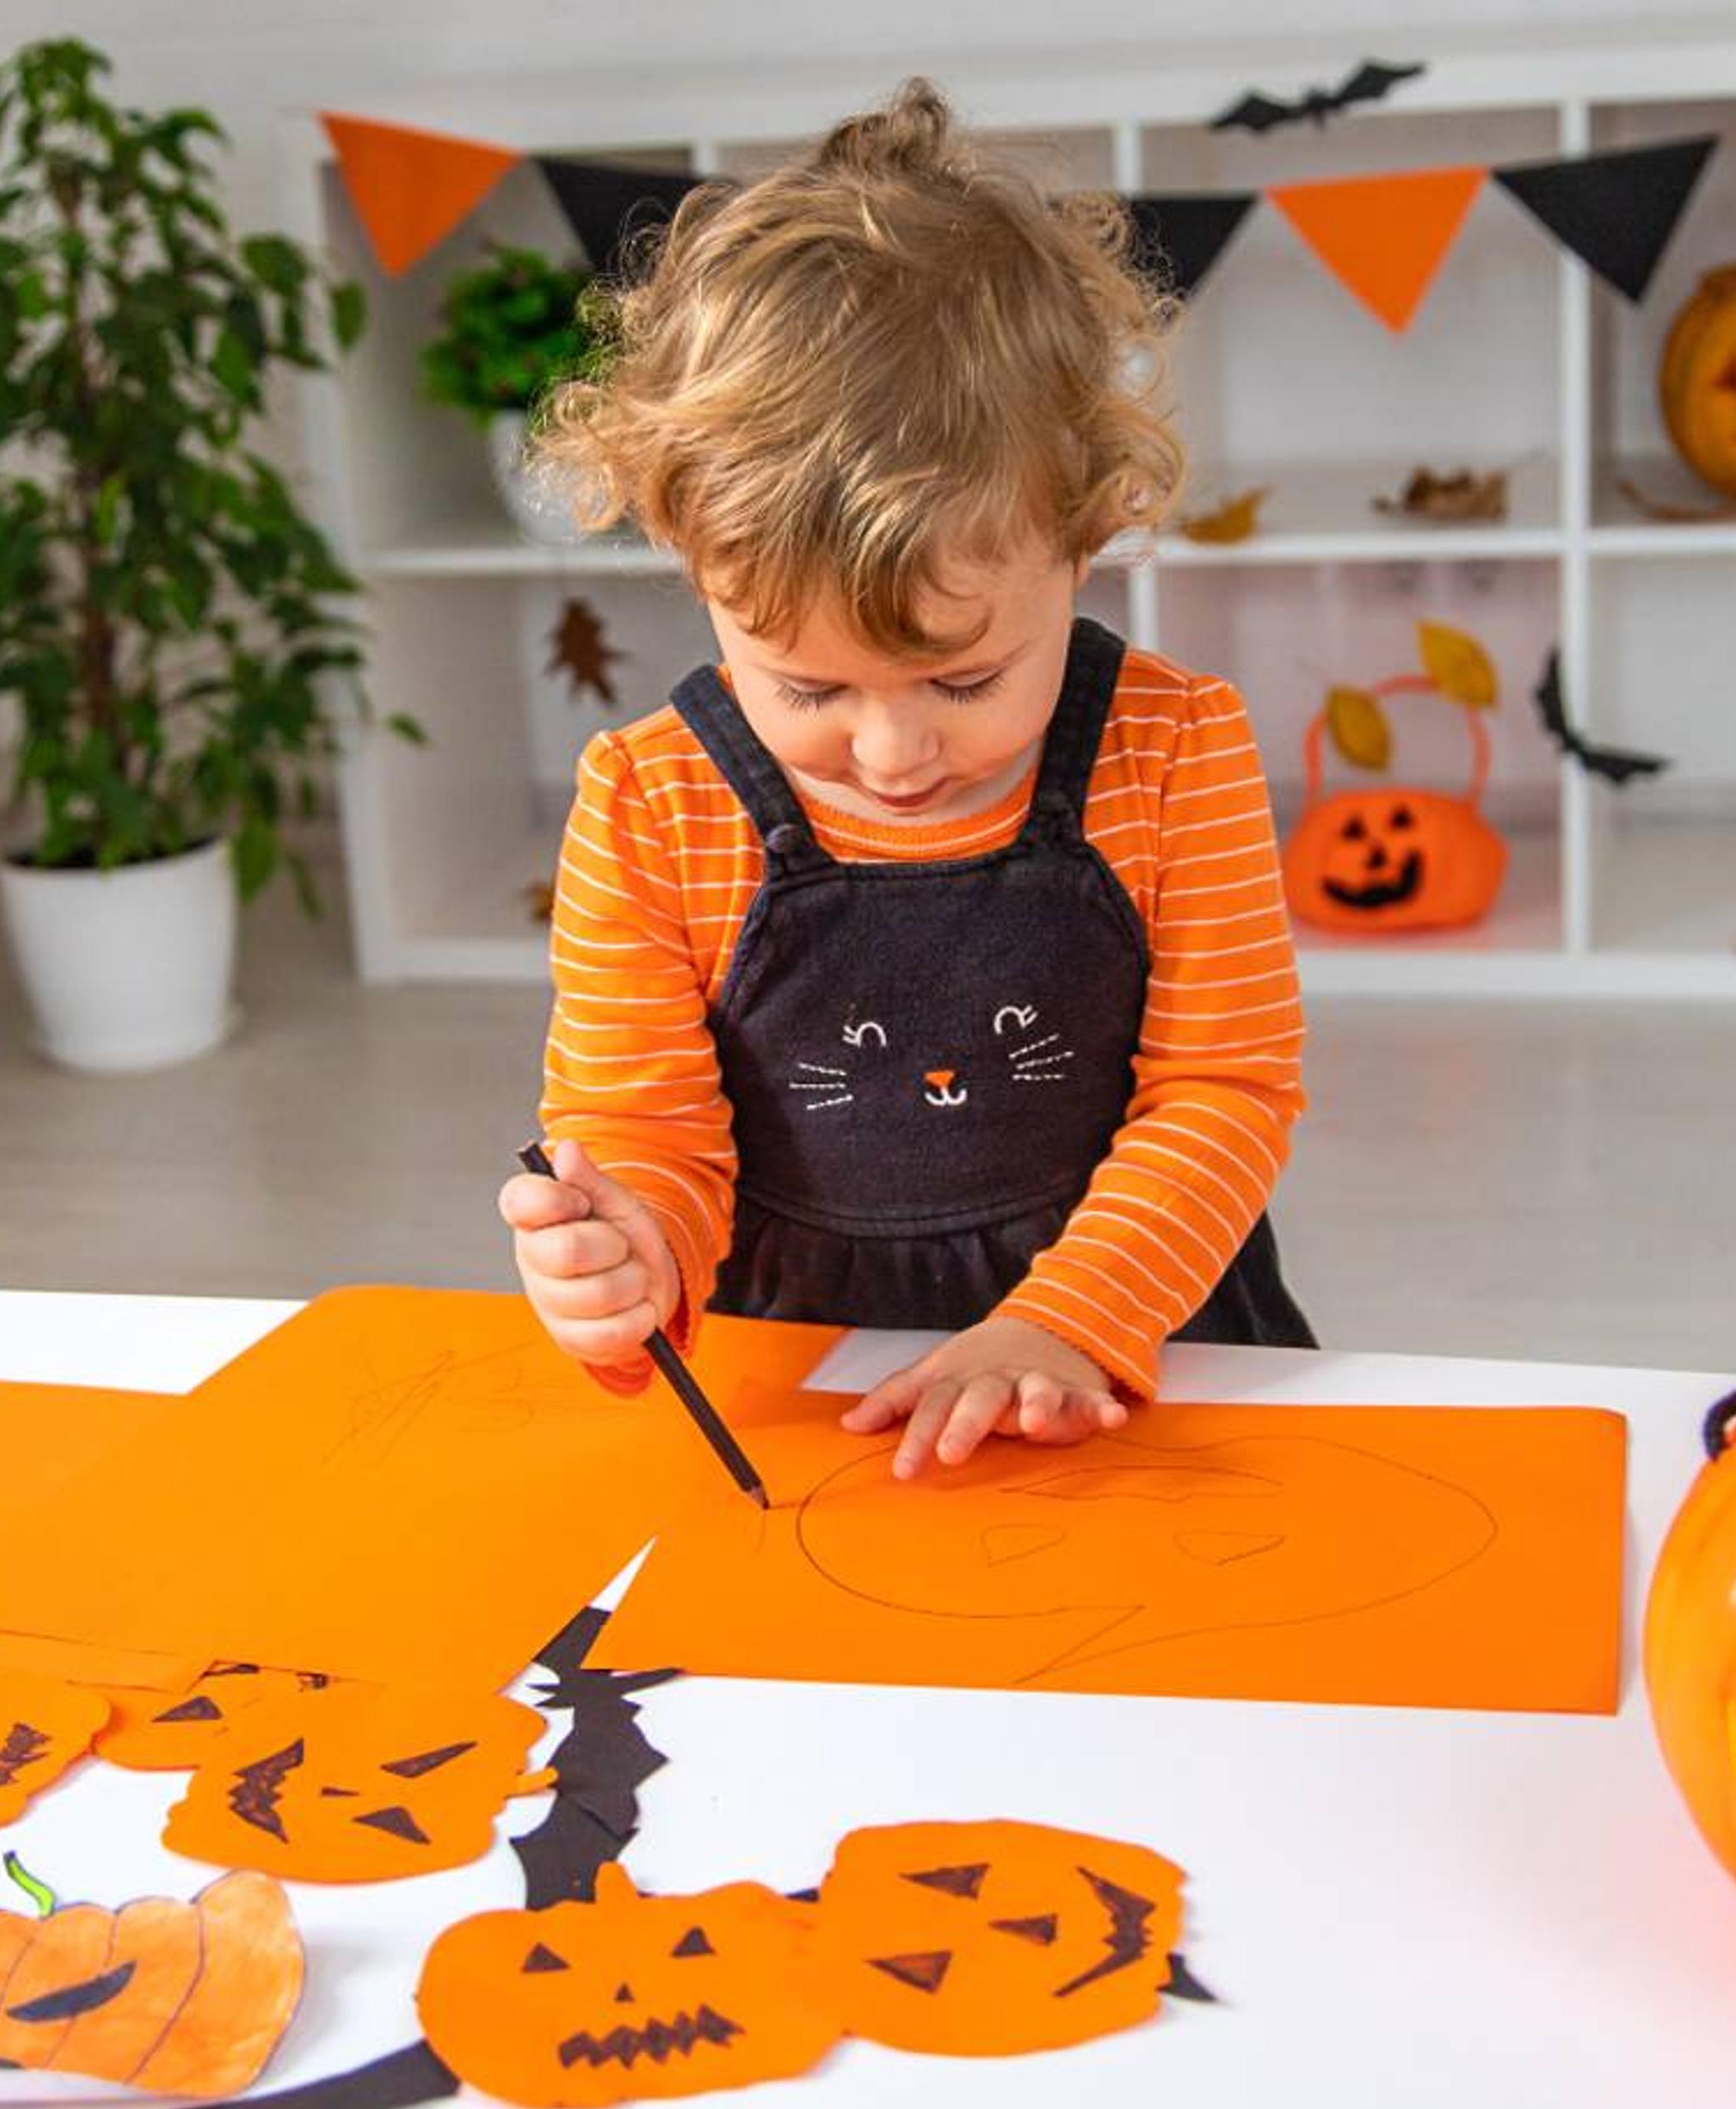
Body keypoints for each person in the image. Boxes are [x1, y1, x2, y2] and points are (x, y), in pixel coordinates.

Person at [498, 78, 1311, 1480]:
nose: (891, 754)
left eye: (964, 678)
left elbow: (1223, 1093)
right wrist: (625, 1257)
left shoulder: (1176, 748)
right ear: (694, 570)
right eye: (807, 689)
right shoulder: (651, 803)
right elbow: (641, 1130)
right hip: (808, 1375)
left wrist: (1067, 1321)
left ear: (1086, 537)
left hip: (1131, 1333)